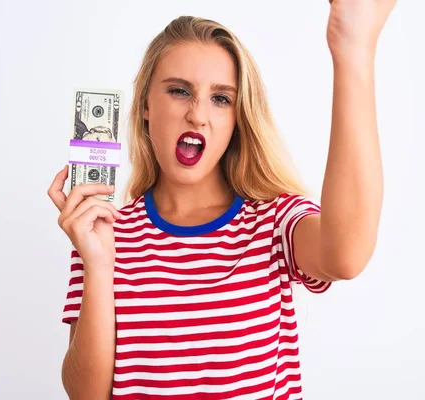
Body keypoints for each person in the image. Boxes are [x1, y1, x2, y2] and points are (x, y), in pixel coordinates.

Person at [48, 1, 396, 398]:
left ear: (236, 118)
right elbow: (86, 395)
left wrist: (353, 49)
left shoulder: (273, 222)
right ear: (146, 105)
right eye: (179, 91)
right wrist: (98, 264)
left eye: (221, 98)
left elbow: (346, 256)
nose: (198, 115)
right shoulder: (103, 232)